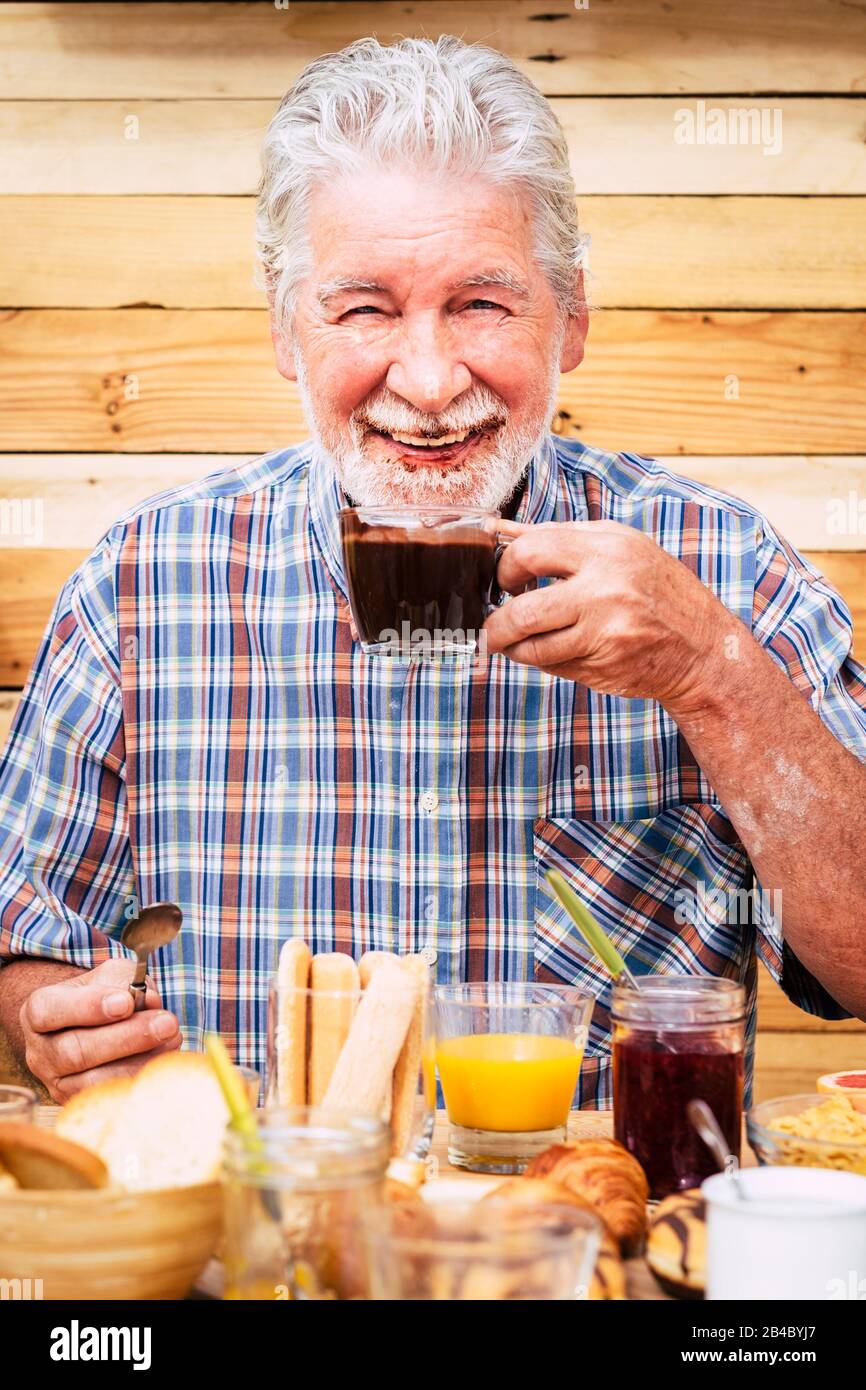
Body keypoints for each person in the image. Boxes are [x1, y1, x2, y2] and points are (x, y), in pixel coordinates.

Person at [1, 37, 864, 1105]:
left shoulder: (722, 568)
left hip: (587, 1251)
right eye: (363, 307)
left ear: (571, 317)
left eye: (481, 304)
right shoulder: (139, 586)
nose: (423, 379)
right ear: (285, 326)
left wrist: (713, 674)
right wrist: (47, 1022)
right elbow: (27, 938)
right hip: (260, 1250)